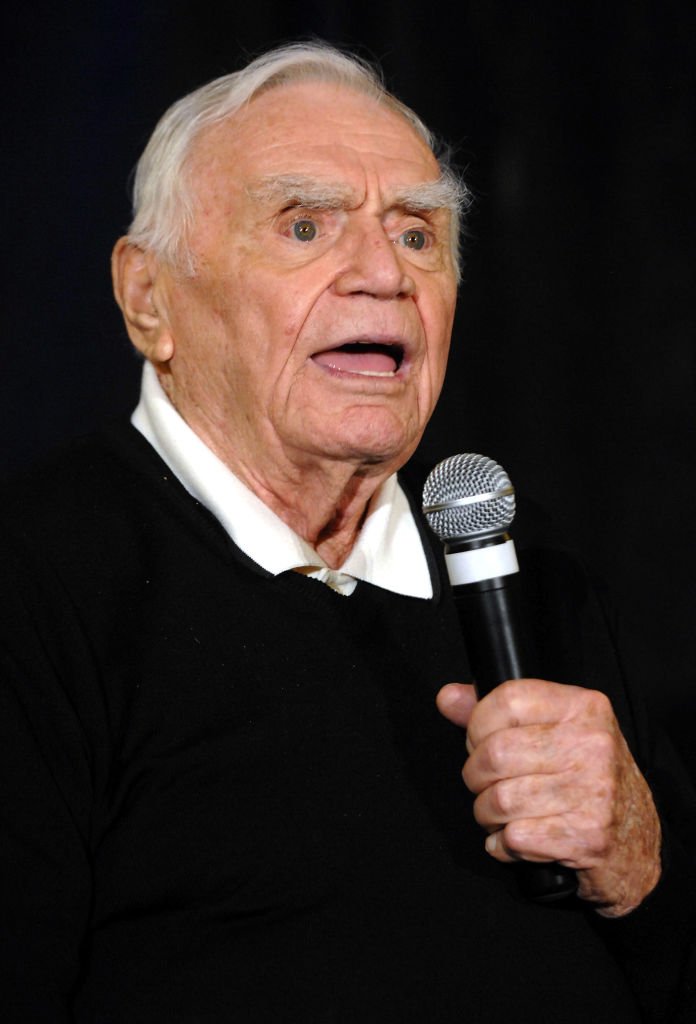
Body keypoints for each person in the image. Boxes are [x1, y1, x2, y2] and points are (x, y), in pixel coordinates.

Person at [1, 41, 694, 1023]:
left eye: (418, 235)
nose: (382, 272)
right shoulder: (39, 580)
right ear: (149, 297)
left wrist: (637, 864)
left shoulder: (524, 564)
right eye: (304, 226)